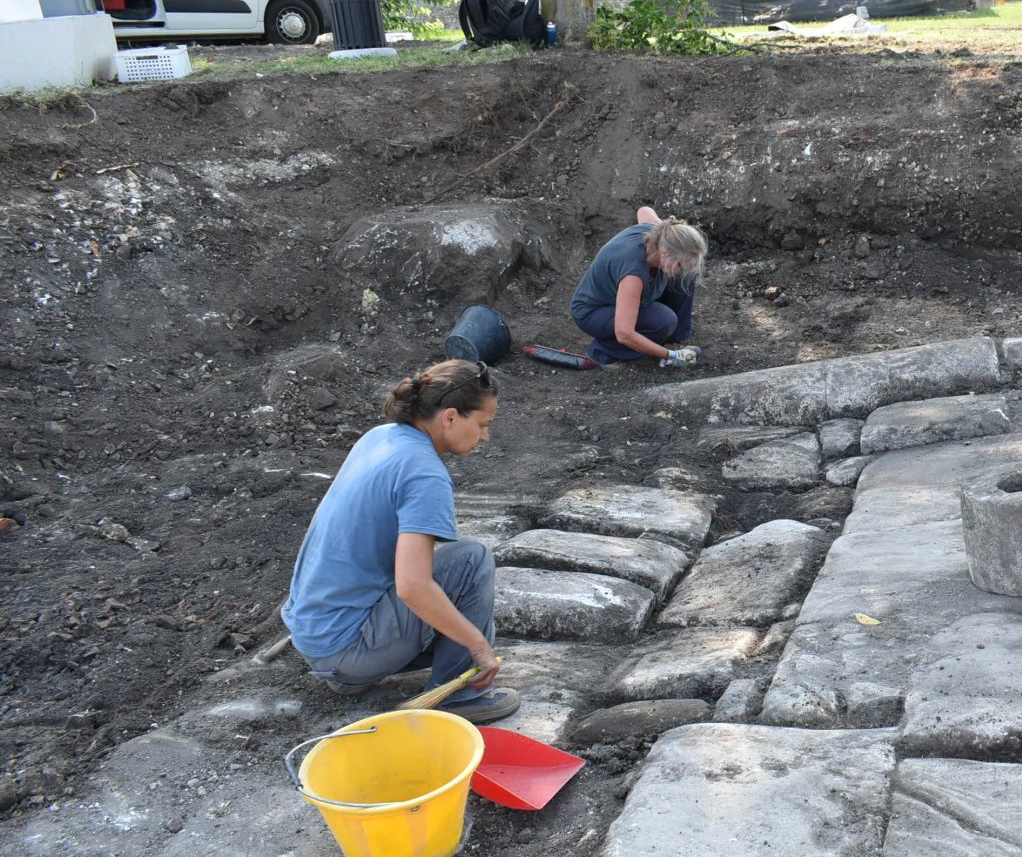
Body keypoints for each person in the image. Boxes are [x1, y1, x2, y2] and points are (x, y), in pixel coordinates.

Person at [279, 359, 519, 723]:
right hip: (346, 650)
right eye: (483, 425)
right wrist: (477, 645)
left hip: (315, 635)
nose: (485, 436)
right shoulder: (425, 474)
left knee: (453, 573)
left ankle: (357, 669)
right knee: (471, 559)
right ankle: (459, 697)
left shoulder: (380, 437)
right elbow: (412, 587)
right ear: (450, 417)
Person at [571, 205, 708, 368]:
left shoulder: (662, 234)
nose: (682, 268)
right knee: (663, 320)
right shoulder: (633, 275)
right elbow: (624, 333)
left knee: (685, 277)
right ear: (665, 253)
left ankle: (671, 341)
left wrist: (664, 225)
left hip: (622, 298)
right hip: (594, 312)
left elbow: (644, 210)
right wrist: (671, 356)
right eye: (679, 264)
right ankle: (603, 352)